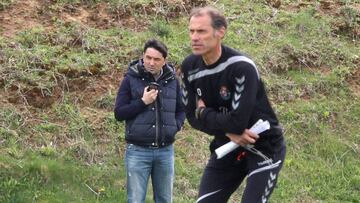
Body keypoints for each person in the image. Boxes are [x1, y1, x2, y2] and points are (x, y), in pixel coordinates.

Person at [180, 6, 286, 203]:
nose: (195, 37)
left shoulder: (241, 67)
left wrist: (204, 112)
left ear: (221, 32)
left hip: (263, 146)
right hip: (226, 144)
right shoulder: (189, 67)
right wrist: (228, 132)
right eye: (191, 31)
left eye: (201, 31)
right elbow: (191, 117)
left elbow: (237, 121)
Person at [114, 39, 185, 203]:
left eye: (156, 59)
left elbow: (182, 109)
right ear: (143, 56)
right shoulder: (130, 79)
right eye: (148, 58)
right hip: (138, 151)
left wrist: (176, 126)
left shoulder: (173, 81)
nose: (151, 63)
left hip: (165, 151)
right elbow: (119, 113)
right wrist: (142, 102)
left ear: (164, 61)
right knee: (136, 200)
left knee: (165, 200)